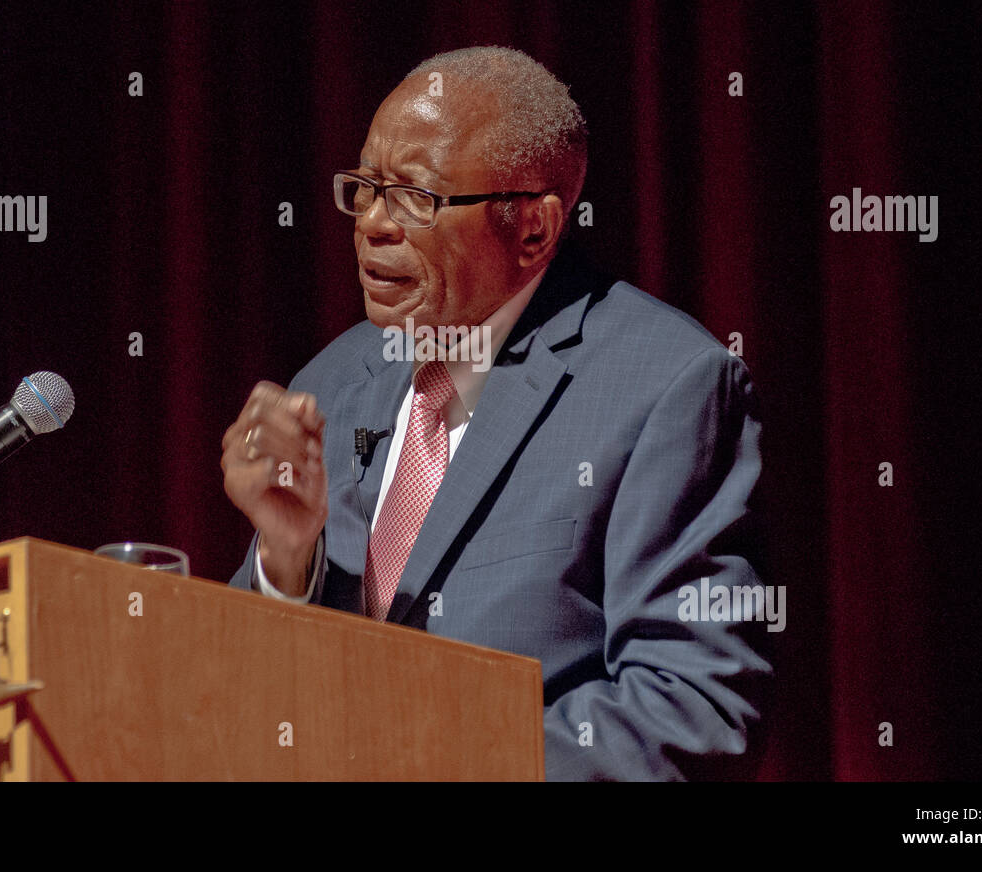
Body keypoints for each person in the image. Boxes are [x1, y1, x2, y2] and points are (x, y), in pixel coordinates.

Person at [224, 46, 773, 780]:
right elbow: (256, 696)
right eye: (364, 187)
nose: (373, 225)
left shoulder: (666, 386)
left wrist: (423, 762)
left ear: (535, 229)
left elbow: (694, 710)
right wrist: (286, 560)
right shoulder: (333, 380)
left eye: (415, 196)